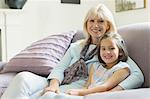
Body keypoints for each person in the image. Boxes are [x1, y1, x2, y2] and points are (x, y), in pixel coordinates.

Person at [1, 3, 144, 99]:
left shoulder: (111, 49)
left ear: (108, 25)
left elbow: (137, 75)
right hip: (58, 82)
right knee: (23, 77)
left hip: (80, 86)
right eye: (91, 21)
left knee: (48, 96)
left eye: (100, 21)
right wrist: (53, 85)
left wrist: (113, 91)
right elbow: (60, 68)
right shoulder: (77, 46)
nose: (95, 25)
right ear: (86, 24)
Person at [66, 33, 131, 96]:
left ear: (120, 52)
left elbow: (105, 87)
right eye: (103, 49)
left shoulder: (122, 68)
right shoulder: (95, 66)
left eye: (112, 48)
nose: (107, 52)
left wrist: (79, 93)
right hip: (87, 95)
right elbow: (87, 86)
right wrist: (76, 93)